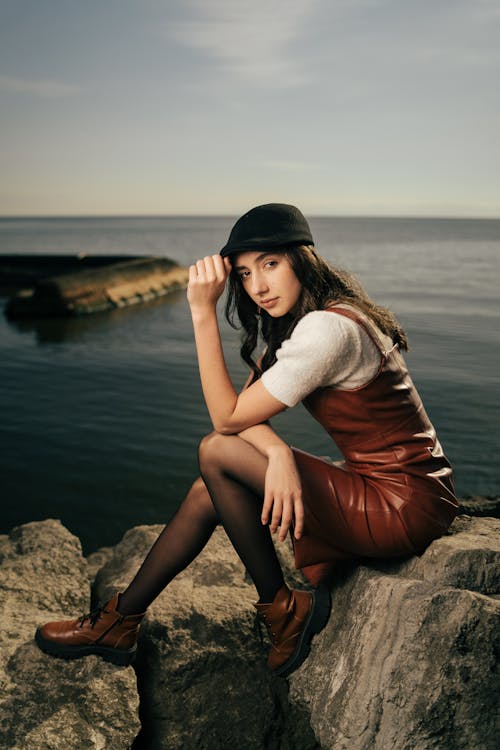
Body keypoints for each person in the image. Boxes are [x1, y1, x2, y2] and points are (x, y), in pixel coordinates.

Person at [35, 203, 458, 678]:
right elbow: (241, 415)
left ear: (303, 260)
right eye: (242, 274)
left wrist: (201, 312)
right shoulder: (317, 318)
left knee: (216, 452)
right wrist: (276, 451)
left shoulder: (327, 330)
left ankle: (280, 608)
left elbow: (224, 421)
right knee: (208, 489)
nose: (257, 286)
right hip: (402, 490)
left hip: (401, 507)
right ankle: (119, 621)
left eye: (270, 264)